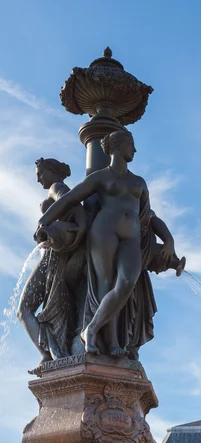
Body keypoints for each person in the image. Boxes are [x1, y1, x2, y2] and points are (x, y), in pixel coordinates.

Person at [37, 130, 184, 357]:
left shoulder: (139, 182)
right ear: (117, 146)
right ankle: (113, 342)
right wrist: (44, 221)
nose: (134, 150)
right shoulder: (101, 177)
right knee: (106, 284)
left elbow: (150, 217)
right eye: (131, 145)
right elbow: (69, 199)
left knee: (126, 283)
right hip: (104, 232)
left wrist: (169, 240)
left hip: (132, 237)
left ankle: (91, 329)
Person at [18, 158, 86, 370]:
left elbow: (72, 208)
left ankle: (50, 355)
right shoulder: (56, 189)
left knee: (24, 309)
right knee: (28, 310)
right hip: (56, 253)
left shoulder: (58, 187)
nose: (38, 178)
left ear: (52, 170)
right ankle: (50, 355)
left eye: (40, 173)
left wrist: (44, 223)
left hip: (55, 255)